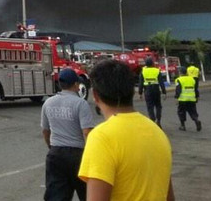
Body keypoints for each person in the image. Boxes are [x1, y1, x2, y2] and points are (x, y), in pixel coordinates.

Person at [78, 60, 174, 201]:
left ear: (96, 95)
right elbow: (169, 196)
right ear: (132, 91)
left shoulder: (101, 137)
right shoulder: (157, 132)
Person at [41, 68, 94, 201]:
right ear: (76, 85)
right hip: (77, 155)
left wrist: (51, 146)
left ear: (60, 84)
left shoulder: (48, 103)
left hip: (55, 153)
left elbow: (45, 130)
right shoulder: (81, 104)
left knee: (56, 195)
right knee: (87, 194)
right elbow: (87, 132)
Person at [138, 57, 166, 127]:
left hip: (148, 90)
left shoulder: (143, 72)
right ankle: (158, 120)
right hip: (156, 89)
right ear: (152, 63)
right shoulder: (157, 71)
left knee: (150, 106)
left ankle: (152, 120)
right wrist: (164, 92)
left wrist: (140, 93)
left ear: (146, 64)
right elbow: (161, 82)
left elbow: (141, 83)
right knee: (158, 106)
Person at [175, 67, 201, 131]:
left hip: (182, 99)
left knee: (181, 112)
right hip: (191, 99)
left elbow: (178, 90)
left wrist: (176, 98)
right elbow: (195, 89)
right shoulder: (192, 79)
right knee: (192, 111)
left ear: (180, 73)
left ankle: (183, 126)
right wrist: (197, 96)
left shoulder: (179, 80)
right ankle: (196, 120)